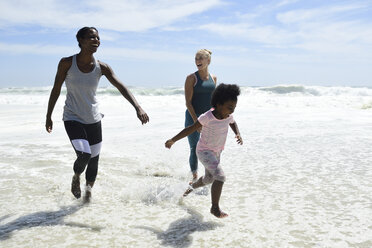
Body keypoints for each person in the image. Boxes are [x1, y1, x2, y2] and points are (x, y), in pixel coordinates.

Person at [45, 27, 149, 203]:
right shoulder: (67, 63)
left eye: (98, 38)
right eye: (91, 37)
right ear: (81, 40)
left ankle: (88, 195)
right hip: (72, 118)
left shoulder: (102, 67)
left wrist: (138, 107)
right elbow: (56, 89)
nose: (96, 41)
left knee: (94, 160)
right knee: (84, 155)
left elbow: (121, 87)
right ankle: (76, 176)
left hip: (94, 119)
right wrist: (48, 115)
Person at [165, 84, 242, 218]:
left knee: (209, 179)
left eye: (234, 108)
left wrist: (238, 134)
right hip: (204, 151)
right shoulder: (208, 117)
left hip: (217, 152)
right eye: (230, 107)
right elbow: (191, 128)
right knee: (220, 176)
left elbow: (233, 122)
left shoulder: (228, 116)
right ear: (218, 104)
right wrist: (173, 140)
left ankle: (190, 187)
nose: (232, 111)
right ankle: (214, 208)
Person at [184, 49, 216, 181]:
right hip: (193, 117)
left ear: (208, 61)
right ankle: (194, 178)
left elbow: (213, 101)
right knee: (195, 148)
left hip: (209, 118)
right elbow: (188, 103)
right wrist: (197, 122)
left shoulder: (214, 78)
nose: (197, 61)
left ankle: (208, 176)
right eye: (196, 58)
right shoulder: (191, 78)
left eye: (200, 58)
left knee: (209, 148)